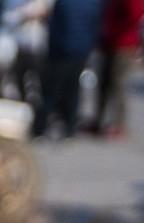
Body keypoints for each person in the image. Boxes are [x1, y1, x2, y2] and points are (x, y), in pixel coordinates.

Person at [34, 0, 104, 137]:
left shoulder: (64, 3)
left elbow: (55, 28)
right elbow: (95, 27)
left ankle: (40, 128)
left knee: (50, 92)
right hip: (81, 52)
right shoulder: (93, 4)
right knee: (73, 91)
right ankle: (70, 127)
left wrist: (52, 50)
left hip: (61, 52)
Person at [93, 0, 144, 135]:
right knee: (103, 84)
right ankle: (98, 120)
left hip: (123, 44)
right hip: (108, 42)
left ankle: (118, 124)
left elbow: (136, 15)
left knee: (118, 85)